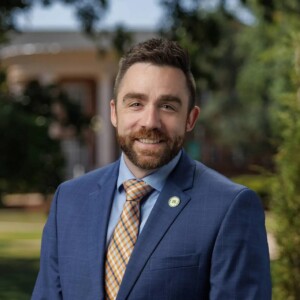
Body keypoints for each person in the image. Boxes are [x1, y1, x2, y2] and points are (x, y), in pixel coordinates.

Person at [32, 38, 271, 300]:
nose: (150, 121)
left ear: (190, 118)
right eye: (136, 103)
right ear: (114, 112)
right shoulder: (69, 200)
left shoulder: (230, 207)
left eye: (168, 106)